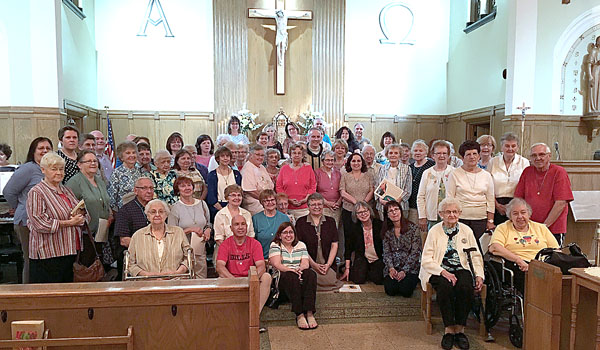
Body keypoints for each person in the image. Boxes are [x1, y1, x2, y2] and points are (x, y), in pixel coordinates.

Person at [419, 198, 484, 350]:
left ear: (460, 213)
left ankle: (460, 329)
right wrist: (444, 272)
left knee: (465, 287)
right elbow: (426, 259)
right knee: (445, 287)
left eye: (455, 212)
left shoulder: (466, 230)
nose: (452, 215)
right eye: (448, 212)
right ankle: (449, 329)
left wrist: (479, 275)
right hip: (438, 268)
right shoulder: (434, 231)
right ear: (441, 214)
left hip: (462, 267)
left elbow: (475, 255)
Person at [26, 152, 89, 283]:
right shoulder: (37, 192)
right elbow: (40, 223)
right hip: (48, 254)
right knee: (49, 296)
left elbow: (83, 212)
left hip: (70, 250)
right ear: (43, 170)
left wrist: (82, 217)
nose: (59, 173)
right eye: (54, 169)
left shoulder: (67, 190)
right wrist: (69, 223)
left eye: (61, 169)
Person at [4, 137, 53, 283]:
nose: (44, 151)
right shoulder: (28, 168)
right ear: (33, 151)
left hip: (43, 222)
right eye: (40, 148)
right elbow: (8, 191)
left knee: (41, 260)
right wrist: (18, 206)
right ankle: (28, 293)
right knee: (31, 259)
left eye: (48, 148)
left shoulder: (50, 169)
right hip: (26, 222)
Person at [488, 198, 559, 294]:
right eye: (515, 213)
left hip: (544, 264)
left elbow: (556, 250)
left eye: (523, 212)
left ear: (529, 214)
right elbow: (495, 247)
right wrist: (518, 260)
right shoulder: (503, 228)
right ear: (510, 216)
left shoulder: (541, 228)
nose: (520, 216)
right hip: (519, 265)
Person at [514, 143, 573, 246]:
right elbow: (518, 199)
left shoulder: (559, 172)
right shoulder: (527, 172)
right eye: (534, 155)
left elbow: (561, 203)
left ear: (549, 156)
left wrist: (544, 226)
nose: (538, 158)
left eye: (542, 154)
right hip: (529, 227)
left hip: (553, 228)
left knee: (551, 259)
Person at [216, 214, 271, 315]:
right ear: (231, 228)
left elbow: (261, 266)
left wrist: (252, 280)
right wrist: (235, 281)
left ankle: (254, 315)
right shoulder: (225, 244)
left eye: (243, 224)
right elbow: (220, 267)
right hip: (232, 279)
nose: (240, 227)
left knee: (266, 277)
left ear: (247, 227)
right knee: (220, 279)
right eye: (236, 224)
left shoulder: (255, 243)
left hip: (251, 279)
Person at [66, 150, 112, 266]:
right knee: (87, 267)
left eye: (95, 161)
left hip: (101, 232)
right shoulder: (74, 182)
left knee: (98, 266)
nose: (93, 163)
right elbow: (69, 207)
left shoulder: (100, 181)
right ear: (79, 164)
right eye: (89, 161)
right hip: (84, 235)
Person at [269, 222, 318, 330]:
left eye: (291, 232)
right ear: (279, 235)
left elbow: (305, 263)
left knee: (310, 274)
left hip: (298, 275)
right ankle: (299, 314)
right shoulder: (275, 245)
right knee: (290, 276)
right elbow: (277, 264)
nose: (288, 235)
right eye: (285, 232)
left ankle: (309, 313)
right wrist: (293, 270)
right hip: (282, 280)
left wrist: (300, 270)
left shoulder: (301, 245)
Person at [127, 199, 190, 278]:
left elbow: (189, 257)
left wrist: (177, 272)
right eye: (153, 212)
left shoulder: (178, 232)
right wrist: (148, 275)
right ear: (148, 216)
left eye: (161, 212)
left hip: (175, 282)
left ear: (166, 215)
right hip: (146, 284)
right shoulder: (137, 236)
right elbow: (130, 263)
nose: (157, 215)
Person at [446, 140, 495, 240]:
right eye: (468, 154)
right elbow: (450, 198)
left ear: (479, 156)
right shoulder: (454, 174)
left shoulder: (486, 175)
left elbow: (490, 199)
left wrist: (490, 221)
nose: (472, 157)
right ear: (462, 158)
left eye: (474, 154)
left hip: (480, 219)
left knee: (477, 249)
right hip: (460, 218)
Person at [296, 193, 343, 291]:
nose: (317, 207)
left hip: (326, 264)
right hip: (309, 264)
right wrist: (314, 265)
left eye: (319, 204)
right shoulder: (301, 222)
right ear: (308, 207)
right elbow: (300, 247)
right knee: (310, 278)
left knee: (330, 281)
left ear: (323, 205)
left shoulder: (331, 221)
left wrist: (328, 265)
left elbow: (334, 244)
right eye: (313, 205)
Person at [168, 176, 212, 278]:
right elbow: (172, 233)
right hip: (182, 250)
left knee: (201, 277)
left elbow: (208, 223)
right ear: (178, 190)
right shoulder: (175, 208)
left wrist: (208, 230)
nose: (187, 188)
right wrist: (190, 230)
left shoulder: (202, 204)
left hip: (200, 248)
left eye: (189, 185)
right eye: (182, 186)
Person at [113, 177, 154, 280]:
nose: (149, 191)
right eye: (144, 188)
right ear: (135, 191)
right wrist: (148, 245)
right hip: (133, 256)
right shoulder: (125, 211)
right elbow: (124, 241)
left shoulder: (157, 208)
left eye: (151, 188)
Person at [488, 132, 530, 225]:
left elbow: (525, 186)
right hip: (495, 204)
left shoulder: (524, 162)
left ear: (517, 147)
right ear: (502, 147)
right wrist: (497, 206)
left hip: (516, 203)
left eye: (513, 146)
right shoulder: (493, 162)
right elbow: (488, 186)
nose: (510, 149)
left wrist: (513, 206)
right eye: (507, 146)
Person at [381, 201, 421, 296]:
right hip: (393, 267)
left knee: (405, 291)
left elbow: (415, 253)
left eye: (396, 209)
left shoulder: (413, 228)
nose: (394, 213)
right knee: (390, 291)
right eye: (390, 211)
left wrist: (404, 271)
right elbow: (386, 252)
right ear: (387, 215)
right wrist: (391, 268)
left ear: (401, 211)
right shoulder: (386, 231)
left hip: (409, 268)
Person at [339, 201, 383, 285]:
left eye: (365, 211)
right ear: (356, 215)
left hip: (378, 258)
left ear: (369, 211)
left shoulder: (379, 224)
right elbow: (348, 248)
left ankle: (369, 272)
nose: (363, 214)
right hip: (363, 258)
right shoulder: (354, 228)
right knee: (358, 279)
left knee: (379, 280)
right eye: (359, 212)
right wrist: (347, 268)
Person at [340, 153, 374, 256]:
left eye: (358, 161)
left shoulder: (368, 175)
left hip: (365, 212)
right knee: (349, 237)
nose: (356, 163)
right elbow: (342, 192)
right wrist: (356, 203)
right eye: (353, 161)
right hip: (349, 211)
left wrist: (363, 204)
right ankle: (348, 263)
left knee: (363, 237)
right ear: (349, 163)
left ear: (362, 162)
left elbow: (372, 190)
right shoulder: (345, 175)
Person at [417, 140, 455, 232]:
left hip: (451, 216)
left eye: (444, 153)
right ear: (433, 156)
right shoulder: (427, 173)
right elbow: (420, 197)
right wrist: (422, 217)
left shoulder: (454, 172)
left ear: (448, 155)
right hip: (432, 217)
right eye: (438, 153)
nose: (441, 156)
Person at [276, 143, 316, 219]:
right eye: (294, 153)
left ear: (302, 155)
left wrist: (306, 199)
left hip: (304, 208)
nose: (296, 155)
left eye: (299, 153)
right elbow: (279, 187)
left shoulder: (308, 168)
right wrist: (288, 199)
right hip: (287, 208)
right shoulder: (284, 169)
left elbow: (313, 186)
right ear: (290, 155)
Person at [375, 144, 412, 217]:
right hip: (384, 206)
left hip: (400, 205)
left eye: (396, 153)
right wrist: (380, 199)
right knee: (385, 227)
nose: (393, 155)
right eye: (390, 153)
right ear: (387, 155)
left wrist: (398, 200)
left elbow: (408, 189)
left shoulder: (407, 169)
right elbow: (378, 185)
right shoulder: (382, 168)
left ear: (400, 155)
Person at [214, 184, 255, 250]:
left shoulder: (247, 214)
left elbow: (251, 235)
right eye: (233, 195)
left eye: (239, 195)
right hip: (225, 251)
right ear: (227, 198)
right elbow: (219, 238)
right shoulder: (220, 215)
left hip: (245, 251)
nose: (237, 198)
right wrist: (232, 251)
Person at [206, 146, 242, 220]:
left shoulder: (237, 174)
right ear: (218, 158)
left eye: (227, 156)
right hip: (218, 208)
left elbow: (240, 193)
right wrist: (223, 210)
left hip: (235, 206)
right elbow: (211, 197)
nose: (225, 158)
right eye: (222, 156)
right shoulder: (212, 175)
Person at [252, 189, 290, 259]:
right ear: (262, 203)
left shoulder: (285, 218)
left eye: (272, 200)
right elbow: (253, 241)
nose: (270, 203)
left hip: (283, 258)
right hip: (263, 258)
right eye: (266, 201)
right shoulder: (255, 219)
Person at [108, 141, 143, 211]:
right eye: (128, 153)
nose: (132, 155)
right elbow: (112, 197)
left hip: (140, 209)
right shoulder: (116, 173)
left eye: (134, 152)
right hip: (123, 210)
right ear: (121, 157)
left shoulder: (140, 171)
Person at [408, 140, 435, 225]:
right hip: (412, 205)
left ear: (425, 153)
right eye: (415, 151)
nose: (418, 153)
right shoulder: (410, 167)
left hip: (427, 205)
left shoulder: (432, 165)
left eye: (420, 150)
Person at [240, 145, 274, 215]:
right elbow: (250, 191)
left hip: (267, 200)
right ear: (251, 155)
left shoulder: (261, 167)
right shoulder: (248, 168)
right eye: (258, 155)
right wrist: (265, 201)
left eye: (262, 155)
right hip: (255, 203)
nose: (260, 157)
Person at [315, 150, 342, 226]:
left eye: (332, 160)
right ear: (322, 161)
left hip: (337, 208)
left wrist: (338, 203)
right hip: (322, 207)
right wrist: (326, 203)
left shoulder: (338, 173)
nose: (330, 162)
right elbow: (314, 191)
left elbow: (342, 189)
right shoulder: (317, 173)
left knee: (335, 229)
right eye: (327, 160)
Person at [587, 36, 600, 113]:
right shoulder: (594, 51)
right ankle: (595, 108)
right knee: (595, 89)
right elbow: (589, 63)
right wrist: (590, 76)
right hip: (596, 69)